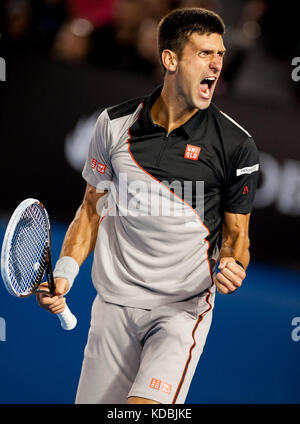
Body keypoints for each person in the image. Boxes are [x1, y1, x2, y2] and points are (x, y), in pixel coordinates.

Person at [36, 7, 260, 404]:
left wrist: (233, 265)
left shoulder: (235, 145)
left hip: (181, 310)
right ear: (170, 59)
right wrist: (66, 274)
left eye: (220, 54)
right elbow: (91, 208)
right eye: (204, 53)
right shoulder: (113, 124)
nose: (217, 64)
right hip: (113, 306)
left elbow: (237, 234)